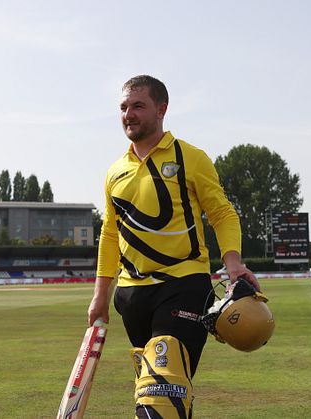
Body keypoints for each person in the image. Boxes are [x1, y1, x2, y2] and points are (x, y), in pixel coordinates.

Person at [88, 75, 259, 418]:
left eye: (138, 106)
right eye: (123, 107)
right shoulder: (114, 172)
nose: (128, 114)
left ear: (161, 109)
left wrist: (233, 261)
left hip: (183, 286)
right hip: (131, 295)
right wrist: (100, 295)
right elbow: (110, 234)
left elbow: (222, 213)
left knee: (160, 395)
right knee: (167, 392)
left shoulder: (189, 158)